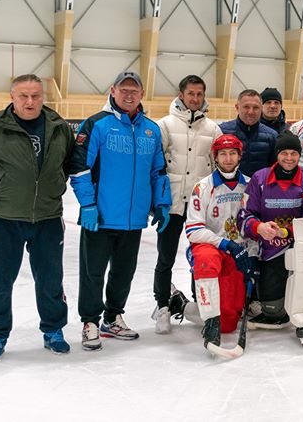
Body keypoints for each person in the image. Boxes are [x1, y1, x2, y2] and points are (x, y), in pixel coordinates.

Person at [0, 74, 75, 361]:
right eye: (23, 96)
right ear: (12, 97)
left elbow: (68, 163)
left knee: (51, 279)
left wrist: (52, 187)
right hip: (3, 218)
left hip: (48, 217)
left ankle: (53, 330)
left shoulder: (59, 127)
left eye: (36, 96)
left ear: (43, 97)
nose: (30, 101)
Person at [69, 71, 172, 351]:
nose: (129, 95)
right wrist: (88, 205)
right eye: (123, 90)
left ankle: (113, 317)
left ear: (142, 94)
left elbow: (158, 171)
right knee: (93, 272)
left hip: (133, 219)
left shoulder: (151, 130)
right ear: (112, 91)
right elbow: (79, 168)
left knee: (124, 272)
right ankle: (90, 322)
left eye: (134, 90)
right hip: (100, 218)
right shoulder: (97, 124)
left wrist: (162, 204)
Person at [153, 75, 222, 333]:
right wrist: (157, 201)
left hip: (199, 207)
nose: (195, 98)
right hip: (171, 205)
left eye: (199, 94)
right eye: (190, 93)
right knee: (165, 258)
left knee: (201, 256)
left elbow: (217, 168)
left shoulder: (213, 129)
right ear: (181, 95)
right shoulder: (165, 125)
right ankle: (162, 306)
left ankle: (201, 302)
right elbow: (156, 166)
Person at [239, 132, 303, 332]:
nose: (289, 158)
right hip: (268, 250)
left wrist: (286, 232)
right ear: (277, 154)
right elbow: (244, 216)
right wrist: (259, 227)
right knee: (273, 311)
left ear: (299, 155)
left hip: (298, 247)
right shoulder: (260, 178)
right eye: (284, 153)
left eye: (294, 153)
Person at [184, 135, 253, 353]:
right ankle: (211, 323)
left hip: (238, 254)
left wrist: (252, 255)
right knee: (206, 258)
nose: (228, 158)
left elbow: (255, 224)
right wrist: (225, 244)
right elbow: (194, 230)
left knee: (229, 324)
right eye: (223, 154)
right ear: (215, 157)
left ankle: (182, 305)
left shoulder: (251, 185)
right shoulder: (203, 187)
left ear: (240, 156)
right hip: (212, 249)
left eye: (232, 153)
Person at [220, 89, 279, 178]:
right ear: (237, 107)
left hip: (260, 186)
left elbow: (274, 169)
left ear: (261, 109)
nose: (251, 112)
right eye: (246, 107)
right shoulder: (222, 131)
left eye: (255, 107)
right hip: (228, 186)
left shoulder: (272, 136)